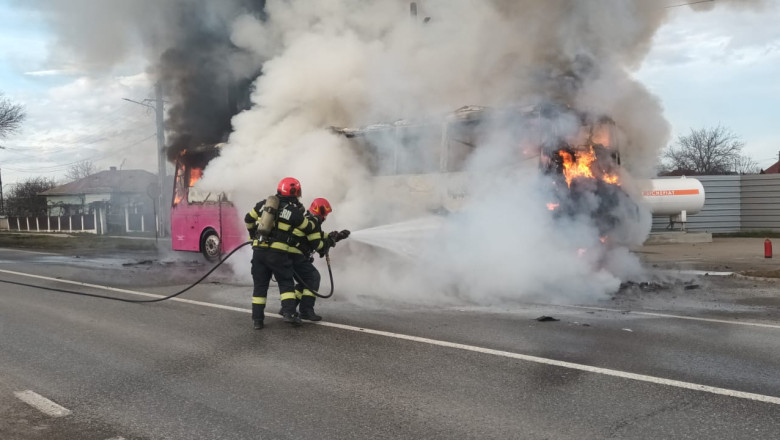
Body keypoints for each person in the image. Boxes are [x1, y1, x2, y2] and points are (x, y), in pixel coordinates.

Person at [244, 177, 316, 330]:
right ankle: (290, 314)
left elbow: (248, 219)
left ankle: (257, 320)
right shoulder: (292, 211)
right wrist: (311, 217)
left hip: (258, 252)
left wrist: (252, 236)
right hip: (277, 253)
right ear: (294, 192)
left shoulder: (262, 205)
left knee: (260, 287)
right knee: (285, 282)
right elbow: (308, 227)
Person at [288, 197, 350, 321]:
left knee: (304, 282)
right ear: (320, 211)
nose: (325, 217)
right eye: (325, 214)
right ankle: (306, 311)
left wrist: (337, 236)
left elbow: (318, 235)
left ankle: (289, 308)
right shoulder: (313, 221)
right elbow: (319, 246)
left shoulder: (307, 219)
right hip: (295, 255)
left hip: (290, 255)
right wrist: (330, 241)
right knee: (313, 277)